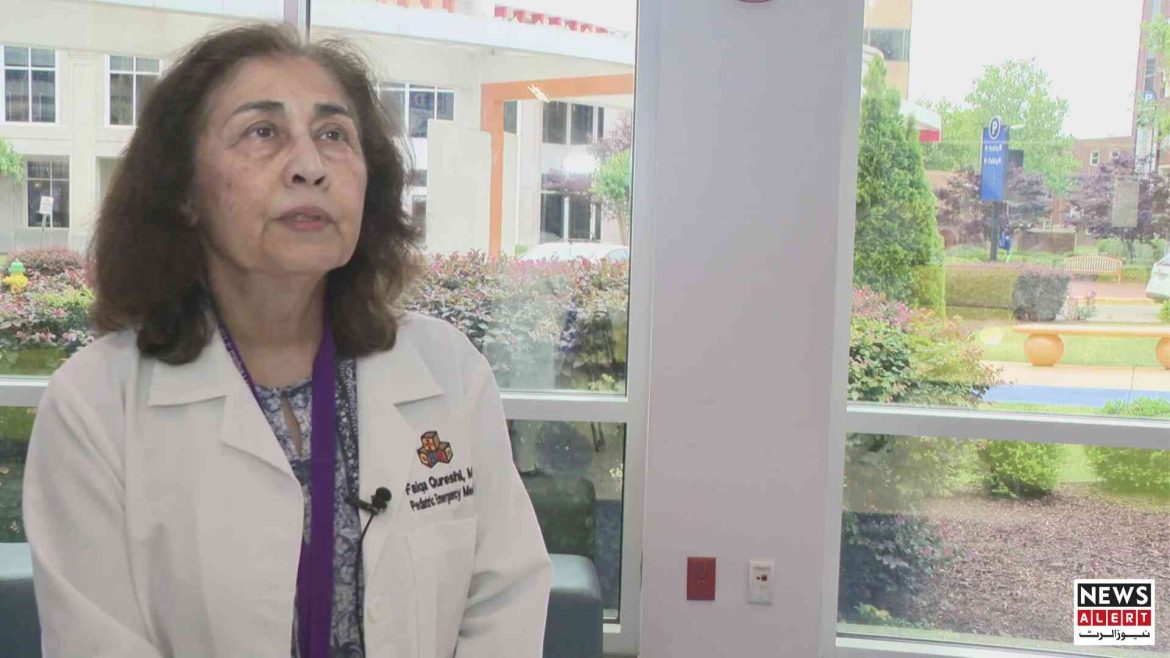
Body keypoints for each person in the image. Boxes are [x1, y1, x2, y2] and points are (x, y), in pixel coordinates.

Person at [22, 23, 550, 658]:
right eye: (262, 132)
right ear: (185, 190)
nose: (309, 167)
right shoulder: (95, 407)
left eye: (333, 135)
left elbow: (504, 601)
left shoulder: (449, 371)